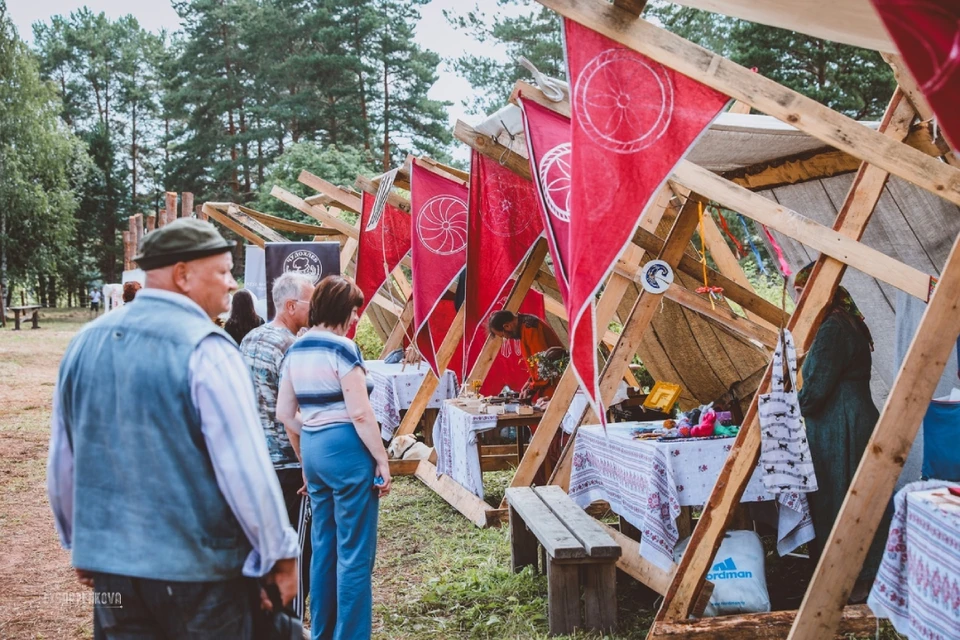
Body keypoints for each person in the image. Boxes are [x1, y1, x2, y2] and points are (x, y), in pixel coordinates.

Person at [47, 218, 299, 638]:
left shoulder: (85, 342)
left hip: (115, 571)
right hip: (200, 574)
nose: (231, 282)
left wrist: (81, 542)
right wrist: (281, 553)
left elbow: (64, 459)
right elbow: (244, 469)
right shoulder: (207, 349)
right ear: (183, 275)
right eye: (221, 271)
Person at [276, 275, 390, 640]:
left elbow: (284, 412)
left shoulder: (295, 349)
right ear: (343, 310)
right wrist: (382, 460)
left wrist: (309, 442)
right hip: (347, 450)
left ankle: (323, 631)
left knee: (323, 548)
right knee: (355, 551)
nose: (356, 318)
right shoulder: (343, 348)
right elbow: (360, 413)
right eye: (354, 311)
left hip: (313, 450)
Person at [793, 261, 888, 602]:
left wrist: (789, 405)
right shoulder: (847, 321)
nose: (799, 301)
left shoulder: (833, 327)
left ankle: (849, 582)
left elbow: (816, 388)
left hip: (841, 425)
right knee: (857, 499)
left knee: (842, 501)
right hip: (852, 418)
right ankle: (857, 579)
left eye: (802, 293)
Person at [240, 271, 315, 618]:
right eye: (310, 303)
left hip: (254, 459)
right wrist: (305, 464)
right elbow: (292, 413)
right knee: (297, 547)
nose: (314, 310)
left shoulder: (250, 338)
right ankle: (289, 619)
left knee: (265, 544)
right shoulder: (291, 346)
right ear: (290, 305)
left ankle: (265, 613)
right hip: (286, 461)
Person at [487, 310, 566, 401]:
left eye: (503, 335)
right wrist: (530, 382)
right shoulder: (525, 327)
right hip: (551, 382)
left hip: (555, 384)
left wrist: (530, 389)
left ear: (507, 326)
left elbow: (544, 366)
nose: (507, 338)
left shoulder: (530, 329)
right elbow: (539, 365)